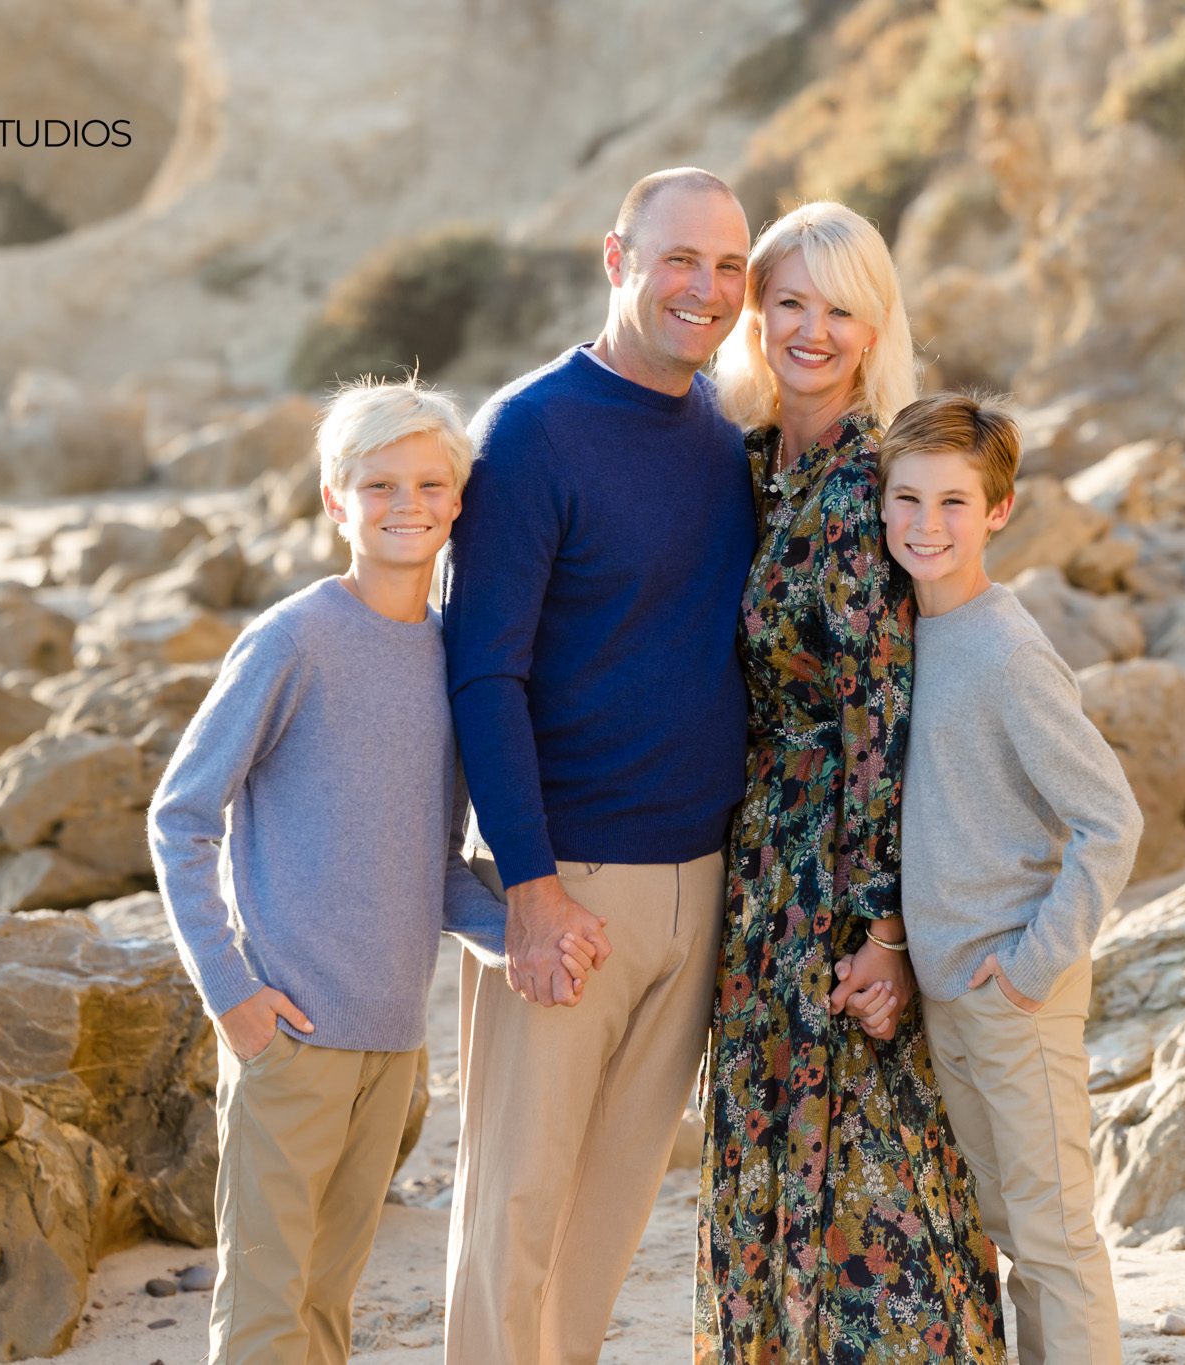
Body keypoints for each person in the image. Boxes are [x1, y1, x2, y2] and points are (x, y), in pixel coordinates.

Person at [440, 167, 759, 1364]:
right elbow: (483, 674)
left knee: (612, 1215)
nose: (705, 289)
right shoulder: (531, 431)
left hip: (702, 884)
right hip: (568, 884)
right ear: (617, 259)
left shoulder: (723, 432)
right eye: (680, 259)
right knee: (515, 1210)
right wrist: (526, 887)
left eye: (727, 267)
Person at [695, 202, 1005, 1363]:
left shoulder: (867, 483)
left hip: (840, 876)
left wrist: (886, 934)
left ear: (875, 329)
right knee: (770, 1151)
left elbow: (883, 719)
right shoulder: (751, 465)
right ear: (755, 313)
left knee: (871, 1176)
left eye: (840, 309)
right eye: (788, 302)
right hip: (758, 874)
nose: (811, 331)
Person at [148, 377, 511, 1364]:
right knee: (266, 1311)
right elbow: (180, 817)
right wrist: (232, 994)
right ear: (333, 501)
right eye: (378, 484)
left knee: (327, 1303)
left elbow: (431, 864)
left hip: (395, 1044)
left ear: (457, 503)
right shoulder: (293, 639)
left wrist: (523, 936)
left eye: (428, 484)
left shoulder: (452, 658)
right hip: (289, 1036)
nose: (406, 504)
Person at [879, 393, 1145, 1365]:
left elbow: (1111, 820)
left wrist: (1032, 966)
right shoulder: (910, 633)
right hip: (952, 987)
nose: (926, 525)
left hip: (1015, 988)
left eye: (953, 502)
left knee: (1054, 1238)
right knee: (1005, 1229)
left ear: (998, 511)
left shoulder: (1007, 650)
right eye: (907, 498)